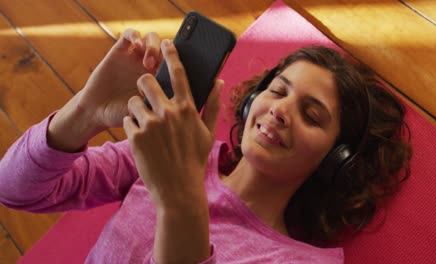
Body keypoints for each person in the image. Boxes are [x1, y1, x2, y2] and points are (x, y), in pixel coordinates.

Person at [0, 28, 412, 263]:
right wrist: (86, 111)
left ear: (335, 160)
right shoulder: (176, 158)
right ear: (252, 100)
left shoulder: (303, 263)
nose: (280, 110)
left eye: (311, 115)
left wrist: (179, 202)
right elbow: (14, 189)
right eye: (277, 90)